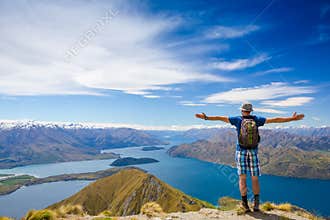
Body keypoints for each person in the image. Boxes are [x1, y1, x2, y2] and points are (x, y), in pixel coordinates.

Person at [195, 103, 304, 212]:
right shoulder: (257, 119)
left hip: (241, 151)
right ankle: (256, 205)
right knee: (255, 179)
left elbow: (220, 118)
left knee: (242, 178)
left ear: (242, 111)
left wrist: (206, 118)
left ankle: (245, 205)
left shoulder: (237, 119)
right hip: (253, 152)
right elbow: (275, 120)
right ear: (251, 111)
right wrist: (292, 119)